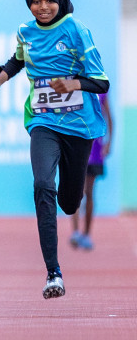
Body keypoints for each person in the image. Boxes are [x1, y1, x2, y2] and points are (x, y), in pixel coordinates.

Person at [0, 0, 109, 299]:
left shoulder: (76, 30)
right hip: (43, 121)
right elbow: (18, 60)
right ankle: (53, 273)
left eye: (49, 1)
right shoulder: (26, 32)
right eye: (35, 2)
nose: (42, 7)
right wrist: (0, 79)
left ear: (60, 0)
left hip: (78, 127)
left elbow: (102, 82)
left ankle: (71, 199)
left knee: (69, 202)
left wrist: (74, 83)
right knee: (41, 185)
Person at [71, 92, 113, 251]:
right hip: (78, 147)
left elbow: (109, 117)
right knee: (77, 191)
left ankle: (86, 234)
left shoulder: (101, 90)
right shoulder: (74, 86)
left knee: (89, 191)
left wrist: (109, 143)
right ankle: (75, 232)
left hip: (95, 149)